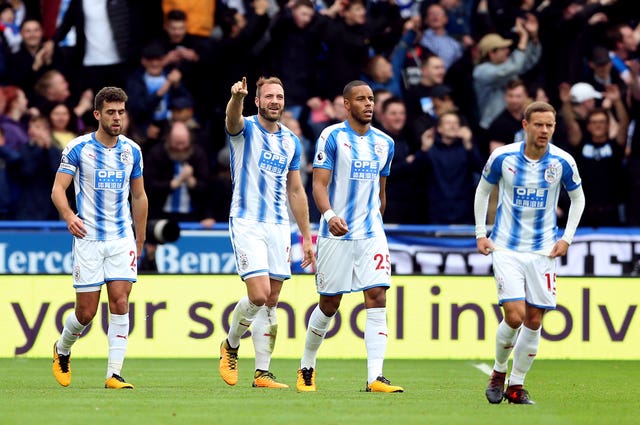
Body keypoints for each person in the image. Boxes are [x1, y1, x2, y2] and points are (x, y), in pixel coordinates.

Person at [474, 101, 585, 405]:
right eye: (539, 124)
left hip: (543, 252)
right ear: (525, 125)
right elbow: (483, 191)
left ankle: (516, 385)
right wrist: (480, 233)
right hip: (506, 247)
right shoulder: (503, 157)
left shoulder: (562, 161)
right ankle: (498, 371)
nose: (545, 130)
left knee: (534, 321)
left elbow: (578, 199)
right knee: (515, 315)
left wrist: (567, 238)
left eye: (550, 125)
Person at [296, 80, 403, 393]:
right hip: (335, 234)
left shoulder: (386, 143)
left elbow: (382, 193)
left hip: (371, 234)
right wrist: (329, 217)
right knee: (330, 304)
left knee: (378, 296)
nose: (368, 104)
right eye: (361, 99)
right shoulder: (331, 136)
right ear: (347, 104)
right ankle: (306, 366)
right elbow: (318, 185)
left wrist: (375, 222)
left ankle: (375, 377)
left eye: (371, 99)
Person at [218, 76, 314, 389]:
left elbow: (296, 190)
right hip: (246, 221)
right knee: (257, 295)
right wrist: (236, 98)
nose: (275, 101)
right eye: (269, 96)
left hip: (277, 226)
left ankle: (262, 372)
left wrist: (306, 236)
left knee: (271, 301)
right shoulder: (244, 128)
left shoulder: (290, 141)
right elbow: (231, 119)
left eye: (279, 96)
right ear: (258, 101)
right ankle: (231, 345)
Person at [50, 86, 148, 389]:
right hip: (89, 239)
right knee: (87, 312)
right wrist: (69, 216)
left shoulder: (132, 150)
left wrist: (140, 239)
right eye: (110, 112)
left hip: (120, 239)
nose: (117, 118)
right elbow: (58, 189)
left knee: (120, 301)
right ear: (97, 115)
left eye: (120, 112)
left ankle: (113, 374)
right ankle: (62, 348)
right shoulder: (78, 149)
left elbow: (140, 196)